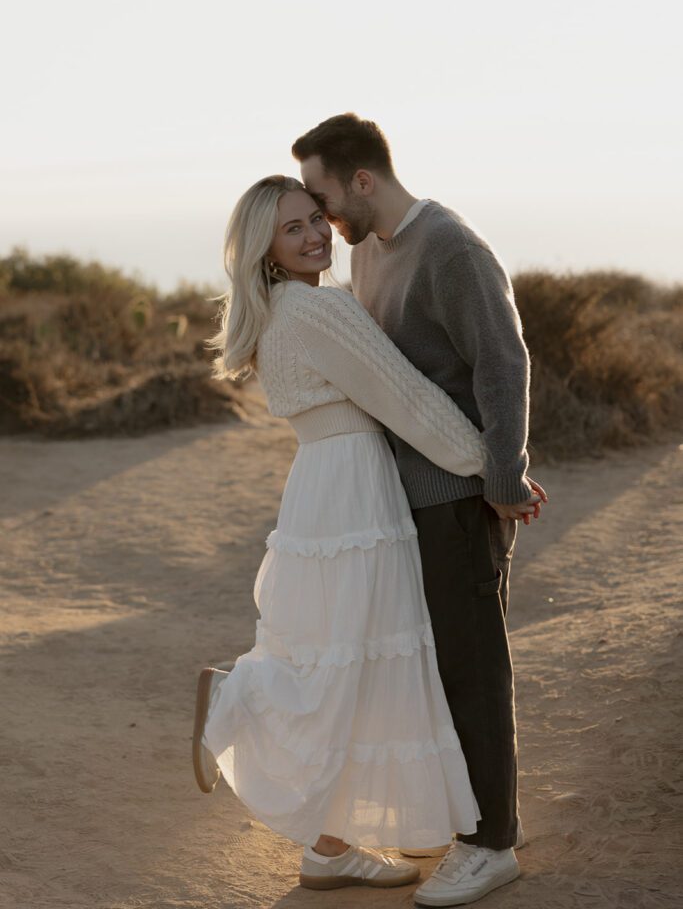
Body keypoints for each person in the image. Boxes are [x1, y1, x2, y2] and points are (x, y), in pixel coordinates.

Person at [193, 174, 515, 893]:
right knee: (358, 656)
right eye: (293, 229)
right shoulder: (319, 308)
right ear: (265, 248)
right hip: (355, 491)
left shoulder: (277, 310)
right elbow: (407, 401)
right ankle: (235, 699)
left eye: (315, 218)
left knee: (346, 656)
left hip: (320, 484)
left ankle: (330, 848)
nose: (315, 236)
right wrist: (492, 469)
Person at [292, 114, 547, 907]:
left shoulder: (449, 249)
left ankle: (491, 845)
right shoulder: (369, 250)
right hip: (404, 499)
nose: (320, 217)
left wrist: (504, 477)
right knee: (431, 670)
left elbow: (502, 365)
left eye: (321, 197)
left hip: (459, 498)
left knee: (473, 670)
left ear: (362, 179)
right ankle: (463, 820)